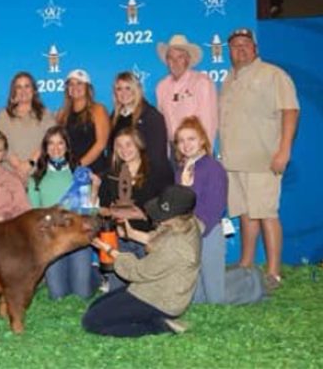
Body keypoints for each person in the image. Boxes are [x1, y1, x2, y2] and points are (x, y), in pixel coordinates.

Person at [219, 28, 300, 290]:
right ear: (228, 52)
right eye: (234, 46)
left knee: (266, 214)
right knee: (245, 213)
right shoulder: (229, 78)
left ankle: (274, 272)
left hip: (263, 159)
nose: (240, 49)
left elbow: (290, 111)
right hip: (235, 161)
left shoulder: (273, 75)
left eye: (245, 44)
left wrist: (284, 150)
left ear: (255, 48)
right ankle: (246, 263)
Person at [83, 185, 203, 337]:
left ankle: (160, 326)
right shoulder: (188, 223)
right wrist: (131, 233)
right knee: (96, 306)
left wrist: (109, 250)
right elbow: (159, 240)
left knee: (92, 321)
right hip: (154, 287)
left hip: (161, 300)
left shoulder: (177, 246)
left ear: (175, 217)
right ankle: (153, 319)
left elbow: (137, 272)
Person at [27, 126, 98, 299]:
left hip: (77, 237)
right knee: (58, 295)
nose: (56, 148)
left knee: (82, 294)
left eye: (60, 143)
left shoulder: (79, 174)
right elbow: (34, 215)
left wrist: (95, 188)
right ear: (45, 148)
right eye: (50, 144)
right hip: (52, 241)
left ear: (67, 146)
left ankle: (95, 274)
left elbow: (91, 211)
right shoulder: (35, 178)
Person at [98, 127, 172, 291]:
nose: (124, 150)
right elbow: (103, 208)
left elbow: (166, 208)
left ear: (139, 145)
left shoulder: (157, 172)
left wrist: (143, 215)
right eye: (119, 146)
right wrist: (113, 215)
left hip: (148, 240)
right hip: (120, 240)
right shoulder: (110, 174)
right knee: (117, 294)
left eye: (129, 144)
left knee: (149, 291)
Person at [174, 116, 227, 303]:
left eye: (191, 139)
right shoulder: (180, 171)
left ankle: (251, 285)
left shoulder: (213, 168)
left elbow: (215, 206)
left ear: (202, 140)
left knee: (215, 295)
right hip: (187, 234)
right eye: (181, 141)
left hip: (209, 232)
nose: (186, 144)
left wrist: (196, 229)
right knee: (194, 294)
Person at [108, 71, 173, 185]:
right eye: (119, 89)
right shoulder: (115, 117)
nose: (123, 93)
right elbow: (112, 151)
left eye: (128, 88)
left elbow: (157, 156)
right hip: (125, 179)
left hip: (150, 181)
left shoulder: (152, 116)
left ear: (137, 89)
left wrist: (142, 181)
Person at [155, 34, 218, 146]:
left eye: (180, 57)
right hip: (173, 149)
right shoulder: (161, 87)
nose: (175, 62)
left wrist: (204, 154)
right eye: (171, 57)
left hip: (196, 147)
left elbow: (209, 123)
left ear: (188, 59)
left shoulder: (201, 82)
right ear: (166, 61)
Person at [0, 71, 56, 181]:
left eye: (27, 86)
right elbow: (0, 143)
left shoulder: (46, 114)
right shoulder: (3, 115)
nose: (23, 91)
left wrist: (30, 164)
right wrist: (18, 166)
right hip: (10, 175)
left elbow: (50, 141)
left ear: (33, 90)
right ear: (14, 91)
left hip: (39, 175)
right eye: (19, 87)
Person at [57, 69, 110, 176]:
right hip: (70, 173)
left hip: (95, 173)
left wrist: (79, 165)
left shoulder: (98, 110)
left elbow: (101, 144)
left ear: (87, 87)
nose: (75, 87)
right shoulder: (62, 114)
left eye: (79, 83)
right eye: (71, 84)